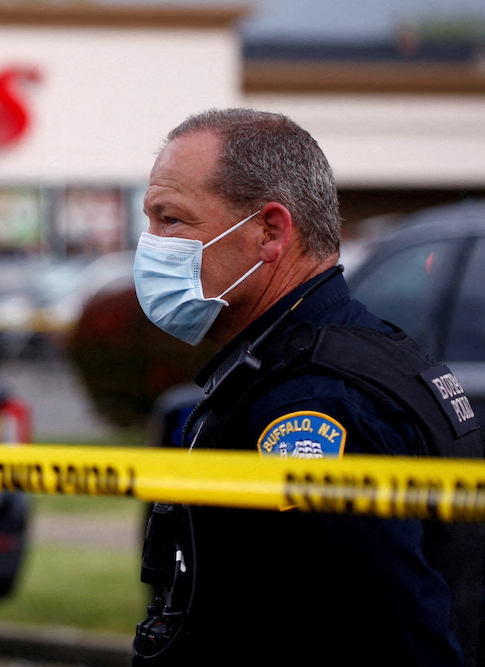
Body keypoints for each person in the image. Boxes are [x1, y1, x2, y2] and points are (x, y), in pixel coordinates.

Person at [129, 108, 484, 666]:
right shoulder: (306, 363)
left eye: (172, 221)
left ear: (270, 231)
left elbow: (395, 635)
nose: (150, 245)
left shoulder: (316, 405)